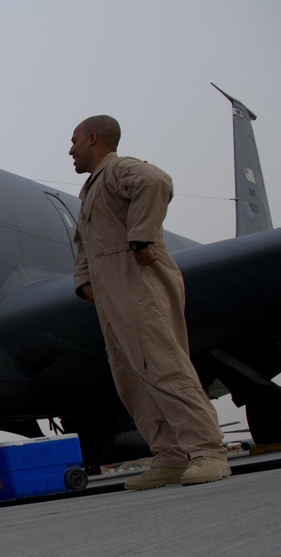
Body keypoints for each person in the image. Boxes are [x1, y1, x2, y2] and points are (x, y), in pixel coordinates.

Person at [68, 115, 230, 490]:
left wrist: (142, 238)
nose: (70, 150)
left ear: (93, 139)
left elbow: (156, 181)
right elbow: (83, 244)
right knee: (130, 378)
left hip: (137, 283)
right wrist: (85, 282)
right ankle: (170, 456)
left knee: (164, 366)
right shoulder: (90, 190)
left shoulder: (119, 170)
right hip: (112, 292)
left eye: (74, 141)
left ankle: (208, 451)